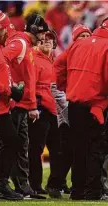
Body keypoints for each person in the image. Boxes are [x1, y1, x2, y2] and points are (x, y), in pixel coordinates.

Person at [56, 17, 108, 200]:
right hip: (98, 105)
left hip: (75, 104)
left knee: (78, 148)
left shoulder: (78, 45)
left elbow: (58, 65)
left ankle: (77, 191)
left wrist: (66, 86)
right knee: (96, 149)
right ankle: (93, 191)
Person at [2, 13, 48, 197]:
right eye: (43, 33)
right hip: (14, 103)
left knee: (21, 146)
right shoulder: (20, 43)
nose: (44, 38)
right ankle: (2, 184)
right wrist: (11, 86)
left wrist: (30, 105)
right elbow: (1, 61)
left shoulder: (25, 45)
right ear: (35, 30)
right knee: (11, 145)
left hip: (21, 103)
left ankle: (22, 185)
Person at [47, 24, 92, 198]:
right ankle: (56, 183)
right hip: (70, 106)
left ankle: (60, 184)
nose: (85, 39)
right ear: (75, 39)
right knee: (68, 150)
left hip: (78, 105)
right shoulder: (70, 54)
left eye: (88, 36)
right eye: (82, 36)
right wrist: (67, 106)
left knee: (74, 150)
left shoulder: (82, 54)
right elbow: (55, 81)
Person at [27, 30, 61, 196]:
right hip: (40, 108)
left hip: (54, 109)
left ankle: (55, 183)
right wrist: (33, 106)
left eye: (50, 39)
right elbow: (31, 85)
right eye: (43, 39)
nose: (46, 41)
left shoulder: (54, 61)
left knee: (57, 149)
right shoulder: (34, 60)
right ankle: (35, 185)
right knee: (36, 149)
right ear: (37, 42)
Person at [0, 9, 24, 201]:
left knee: (11, 142)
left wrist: (12, 88)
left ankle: (1, 182)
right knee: (12, 142)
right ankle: (0, 183)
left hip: (2, 105)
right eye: (5, 28)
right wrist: (9, 91)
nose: (8, 32)